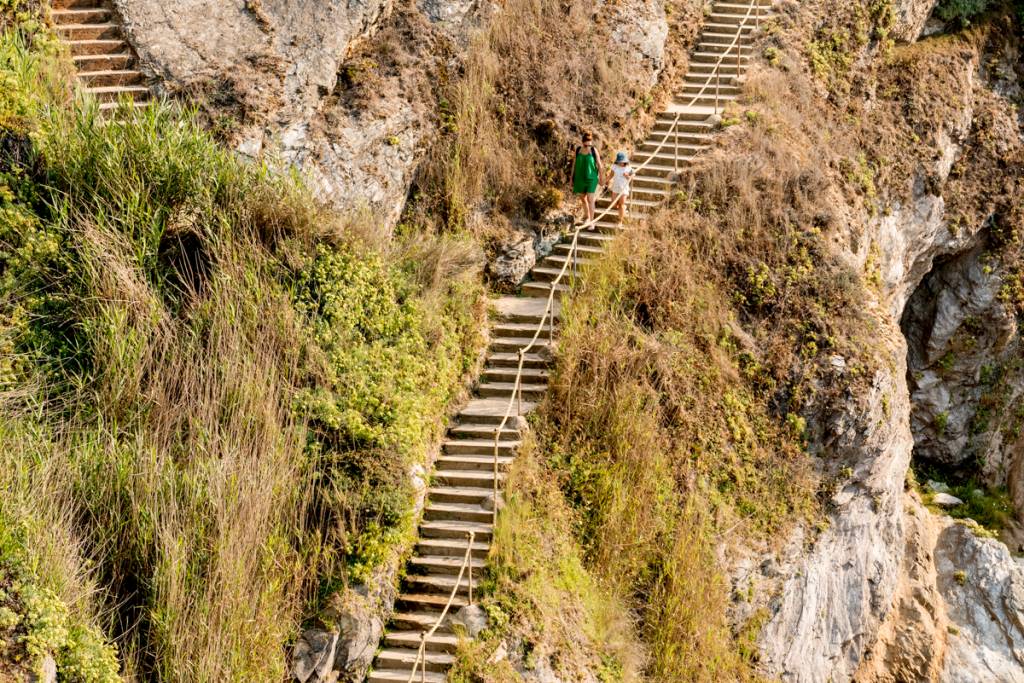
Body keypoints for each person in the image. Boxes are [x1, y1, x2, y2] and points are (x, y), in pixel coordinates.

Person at [570, 131, 603, 223]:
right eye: (586, 141)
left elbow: (599, 165)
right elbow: (574, 164)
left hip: (591, 178)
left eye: (589, 141)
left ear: (591, 141)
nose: (588, 143)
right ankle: (587, 216)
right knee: (582, 198)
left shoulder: (593, 150)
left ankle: (592, 222)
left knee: (590, 199)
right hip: (580, 178)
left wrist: (601, 178)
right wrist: (571, 178)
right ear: (583, 141)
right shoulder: (578, 150)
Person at [608, 151, 634, 223]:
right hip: (615, 188)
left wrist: (627, 176)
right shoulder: (614, 166)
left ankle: (620, 221)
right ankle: (623, 209)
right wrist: (606, 180)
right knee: (613, 204)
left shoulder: (629, 168)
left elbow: (633, 176)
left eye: (622, 161)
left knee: (621, 204)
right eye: (619, 161)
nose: (620, 163)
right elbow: (611, 175)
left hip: (624, 189)